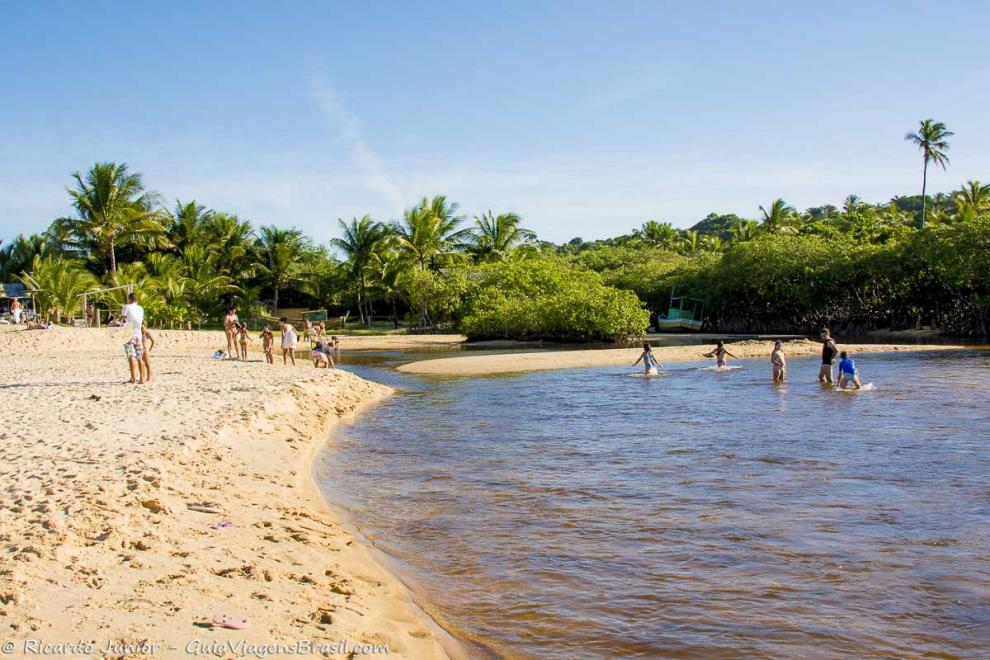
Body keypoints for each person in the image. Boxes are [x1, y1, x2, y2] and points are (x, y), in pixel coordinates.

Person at [121, 292, 147, 384]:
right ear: (137, 300)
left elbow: (124, 319)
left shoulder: (126, 307)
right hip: (138, 334)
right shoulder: (140, 308)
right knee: (140, 357)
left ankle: (133, 378)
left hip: (128, 333)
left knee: (131, 356)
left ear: (129, 299)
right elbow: (141, 320)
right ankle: (142, 378)